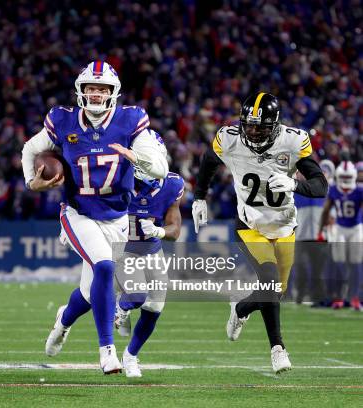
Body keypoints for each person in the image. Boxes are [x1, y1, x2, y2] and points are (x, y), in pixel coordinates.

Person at [22, 61, 168, 374]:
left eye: (102, 88)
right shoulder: (63, 119)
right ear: (81, 90)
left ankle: (63, 321)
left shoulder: (131, 119)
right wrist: (31, 182)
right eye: (91, 87)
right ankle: (107, 351)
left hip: (116, 218)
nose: (96, 93)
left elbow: (159, 168)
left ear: (113, 93)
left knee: (90, 294)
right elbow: (30, 149)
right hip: (78, 212)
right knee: (104, 265)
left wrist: (135, 156)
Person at [192, 92, 328, 373]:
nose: (253, 132)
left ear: (275, 126)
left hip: (284, 225)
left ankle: (240, 309)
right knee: (268, 279)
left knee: (276, 291)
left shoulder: (292, 141)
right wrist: (199, 197)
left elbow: (320, 186)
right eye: (249, 126)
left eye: (260, 127)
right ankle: (278, 349)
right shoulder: (229, 138)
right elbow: (207, 162)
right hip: (249, 223)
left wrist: (294, 185)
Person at [113, 135, 183, 377]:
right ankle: (120, 308)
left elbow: (175, 230)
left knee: (155, 306)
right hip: (123, 251)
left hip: (152, 251)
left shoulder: (172, 185)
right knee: (137, 295)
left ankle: (131, 356)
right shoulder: (118, 182)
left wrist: (160, 230)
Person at [320, 161, 362, 311]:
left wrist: (321, 228)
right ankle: (339, 297)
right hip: (340, 228)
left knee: (356, 264)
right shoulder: (334, 190)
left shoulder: (359, 190)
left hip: (355, 228)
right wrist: (321, 229)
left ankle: (355, 298)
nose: (345, 180)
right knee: (339, 264)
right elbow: (326, 211)